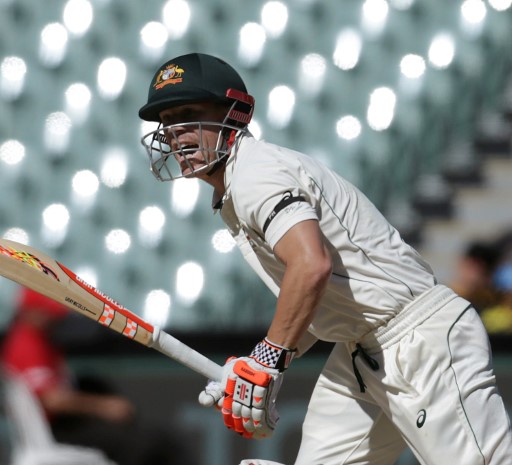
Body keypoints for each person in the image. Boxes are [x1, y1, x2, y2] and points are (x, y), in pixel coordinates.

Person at [138, 52, 512, 464]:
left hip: (420, 339)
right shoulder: (235, 188)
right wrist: (251, 366)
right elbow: (315, 297)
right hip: (361, 350)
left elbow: (311, 267)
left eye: (189, 114)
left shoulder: (254, 174)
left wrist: (268, 361)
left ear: (235, 113)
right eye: (167, 122)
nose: (176, 134)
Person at [0, 287, 188, 465]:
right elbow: (53, 400)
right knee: (145, 443)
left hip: (62, 426)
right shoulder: (27, 344)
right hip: (56, 431)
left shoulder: (39, 340)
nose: (53, 318)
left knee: (151, 437)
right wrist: (104, 407)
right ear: (30, 311)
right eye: (47, 312)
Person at [450, 240, 501, 312]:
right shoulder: (442, 295)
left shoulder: (495, 304)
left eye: (480, 270)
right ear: (462, 263)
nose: (473, 276)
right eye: (470, 267)